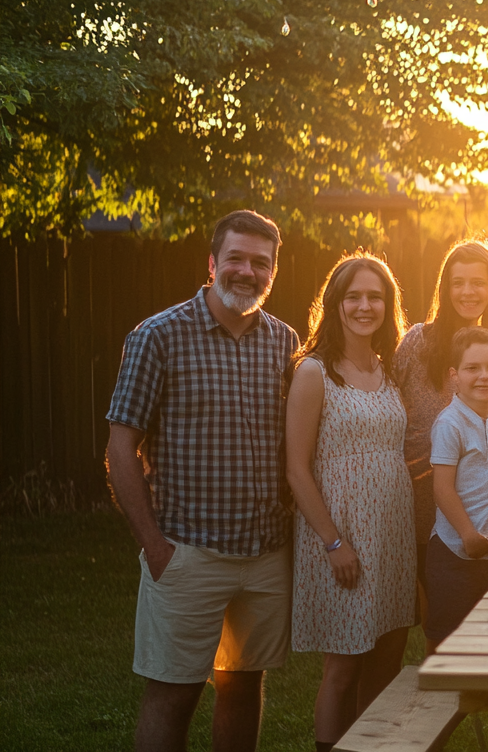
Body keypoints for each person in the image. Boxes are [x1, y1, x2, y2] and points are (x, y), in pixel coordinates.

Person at [106, 210, 297, 752]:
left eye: (260, 263)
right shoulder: (158, 336)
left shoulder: (285, 343)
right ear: (212, 263)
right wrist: (154, 546)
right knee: (173, 694)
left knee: (244, 687)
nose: (247, 271)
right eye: (235, 258)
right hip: (187, 552)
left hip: (266, 555)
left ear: (273, 272)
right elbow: (121, 447)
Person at [286, 253, 415, 752]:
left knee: (386, 657)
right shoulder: (315, 372)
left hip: (392, 534)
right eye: (353, 296)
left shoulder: (389, 370)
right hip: (341, 536)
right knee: (343, 667)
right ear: (334, 304)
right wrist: (333, 541)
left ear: (388, 304)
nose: (365, 306)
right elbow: (296, 469)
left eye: (375, 297)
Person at [395, 238, 488, 591]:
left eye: (478, 282)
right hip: (420, 487)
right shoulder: (419, 341)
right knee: (431, 589)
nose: (468, 292)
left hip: (478, 498)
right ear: (445, 288)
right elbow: (390, 402)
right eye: (457, 282)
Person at [424, 327, 488, 654]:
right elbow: (442, 488)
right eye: (472, 368)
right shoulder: (449, 423)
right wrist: (467, 534)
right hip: (454, 550)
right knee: (446, 642)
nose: (484, 376)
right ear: (455, 375)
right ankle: (436, 689)